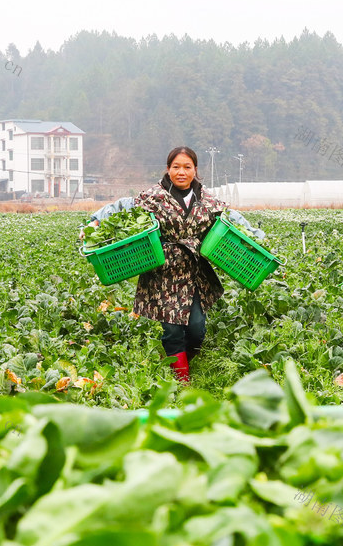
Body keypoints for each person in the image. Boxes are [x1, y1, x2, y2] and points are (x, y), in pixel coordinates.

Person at [84, 147, 264, 382]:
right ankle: (182, 380)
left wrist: (257, 237)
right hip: (163, 272)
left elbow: (232, 220)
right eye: (176, 167)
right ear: (168, 169)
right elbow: (122, 207)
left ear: (195, 170)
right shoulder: (153, 196)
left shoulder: (208, 200)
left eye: (187, 167)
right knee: (171, 329)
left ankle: (182, 361)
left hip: (193, 271)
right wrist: (95, 222)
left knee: (197, 327)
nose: (181, 172)